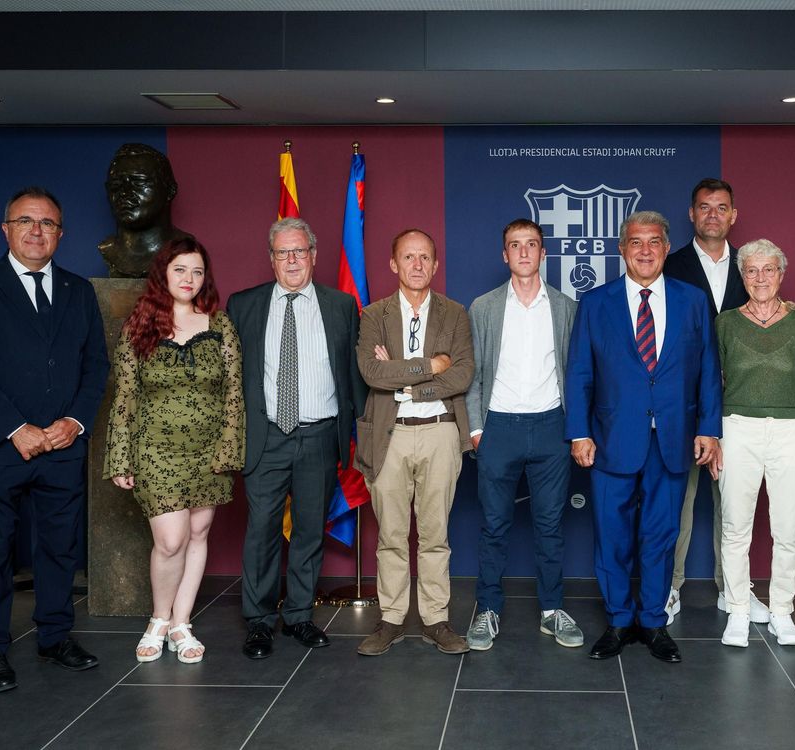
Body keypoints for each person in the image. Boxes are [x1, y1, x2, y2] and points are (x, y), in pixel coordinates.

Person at [0, 186, 109, 693]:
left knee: (60, 548)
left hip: (62, 446)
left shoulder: (80, 291)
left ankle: (55, 637)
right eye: (26, 222)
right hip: (0, 448)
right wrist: (16, 428)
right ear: (6, 230)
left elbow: (95, 365)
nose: (37, 231)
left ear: (61, 233)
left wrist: (74, 421)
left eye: (47, 223)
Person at [565, 210, 722, 663]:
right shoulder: (596, 303)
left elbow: (708, 370)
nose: (646, 250)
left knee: (661, 535)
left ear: (666, 248)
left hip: (673, 439)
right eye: (636, 242)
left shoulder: (693, 301)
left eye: (654, 242)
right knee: (612, 536)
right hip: (611, 438)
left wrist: (709, 428)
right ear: (622, 249)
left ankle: (653, 621)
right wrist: (579, 432)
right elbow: (580, 372)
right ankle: (619, 619)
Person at [227, 217, 366, 660]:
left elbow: (353, 375)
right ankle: (259, 621)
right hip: (266, 436)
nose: (291, 260)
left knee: (309, 530)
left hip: (319, 437)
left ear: (314, 256)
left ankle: (300, 615)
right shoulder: (243, 306)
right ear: (271, 259)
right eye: (282, 252)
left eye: (299, 251)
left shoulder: (341, 306)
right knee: (262, 530)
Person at [104, 237, 244, 664]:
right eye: (180, 269)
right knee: (170, 541)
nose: (189, 278)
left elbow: (234, 394)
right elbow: (125, 397)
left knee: (198, 533)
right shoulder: (139, 326)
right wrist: (120, 456)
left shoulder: (220, 325)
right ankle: (159, 619)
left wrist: (228, 450)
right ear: (163, 273)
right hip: (156, 450)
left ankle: (182, 623)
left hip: (208, 451)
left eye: (198, 271)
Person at [464, 219, 582, 651]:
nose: (524, 252)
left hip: (551, 427)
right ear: (505, 255)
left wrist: (574, 429)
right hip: (499, 427)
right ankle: (487, 610)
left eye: (531, 244)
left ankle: (552, 610)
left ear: (543, 253)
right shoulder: (484, 307)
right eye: (515, 245)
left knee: (550, 526)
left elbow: (575, 373)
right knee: (494, 525)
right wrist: (477, 430)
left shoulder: (565, 306)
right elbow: (472, 373)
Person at [355, 229, 475, 657]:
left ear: (435, 265)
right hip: (390, 435)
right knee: (391, 534)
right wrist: (430, 365)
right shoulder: (374, 315)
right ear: (394, 264)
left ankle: (435, 620)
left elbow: (461, 374)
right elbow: (372, 372)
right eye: (409, 257)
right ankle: (391, 620)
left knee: (434, 535)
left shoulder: (455, 313)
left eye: (425, 257)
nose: (417, 265)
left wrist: (408, 384)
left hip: (440, 431)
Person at [662, 178, 759, 624]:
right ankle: (669, 587)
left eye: (722, 207)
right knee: (676, 502)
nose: (713, 214)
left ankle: (733, 590)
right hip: (682, 404)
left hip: (738, 403)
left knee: (734, 504)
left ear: (733, 215)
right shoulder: (669, 265)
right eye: (705, 207)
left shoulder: (751, 267)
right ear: (692, 214)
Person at [715, 239, 795, 648]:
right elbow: (714, 381)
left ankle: (781, 612)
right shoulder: (725, 323)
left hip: (791, 431)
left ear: (781, 274)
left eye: (768, 269)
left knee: (788, 529)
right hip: (737, 428)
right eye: (752, 270)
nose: (760, 278)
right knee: (735, 527)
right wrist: (713, 435)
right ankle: (738, 609)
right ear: (743, 276)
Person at [98, 143, 191, 278]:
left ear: (170, 190)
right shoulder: (106, 249)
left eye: (139, 182)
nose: (124, 193)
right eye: (116, 185)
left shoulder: (185, 247)